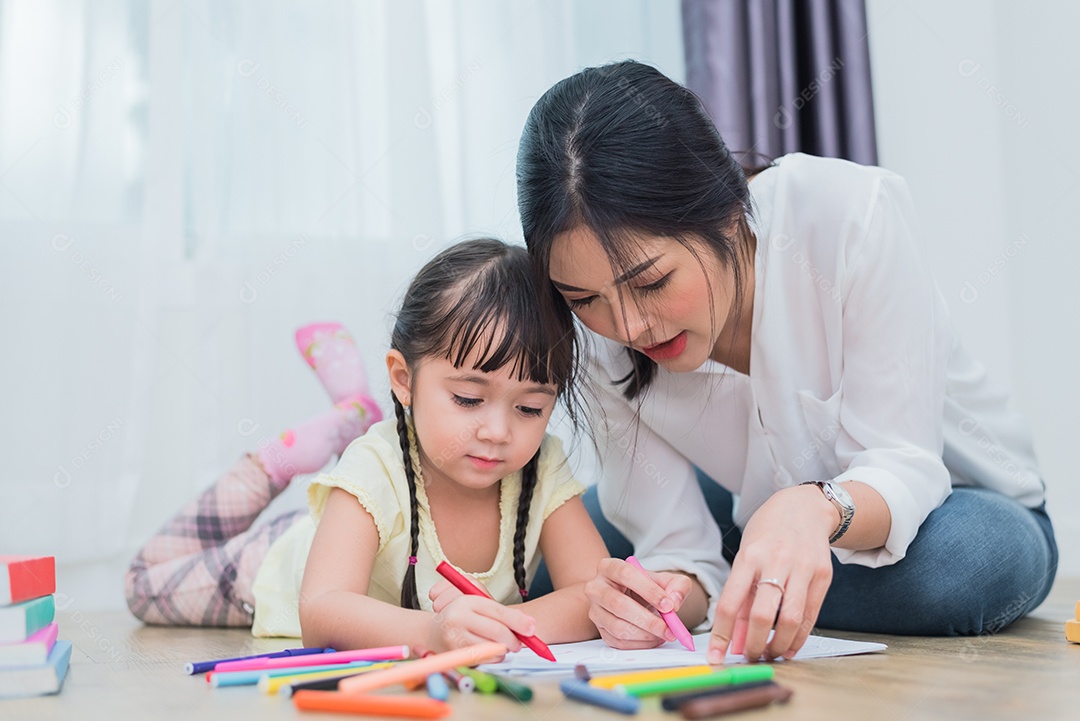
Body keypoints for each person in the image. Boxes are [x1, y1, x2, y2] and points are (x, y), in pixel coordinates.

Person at [516, 60, 1057, 665]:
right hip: (744, 505)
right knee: (567, 558)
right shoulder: (595, 336)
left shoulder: (847, 216)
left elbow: (904, 463)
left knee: (974, 562)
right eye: (585, 299)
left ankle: (757, 577)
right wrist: (663, 599)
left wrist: (811, 507)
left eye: (652, 282)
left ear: (723, 209)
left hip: (942, 499)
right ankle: (756, 575)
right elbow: (675, 546)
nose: (628, 327)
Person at [126, 239, 608, 655]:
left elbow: (593, 591)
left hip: (355, 521)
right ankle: (278, 459)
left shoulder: (541, 463)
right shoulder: (375, 466)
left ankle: (349, 418)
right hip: (282, 561)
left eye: (529, 408)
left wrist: (505, 629)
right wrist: (437, 632)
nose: (498, 431)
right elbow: (321, 611)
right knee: (144, 582)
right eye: (468, 398)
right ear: (403, 379)